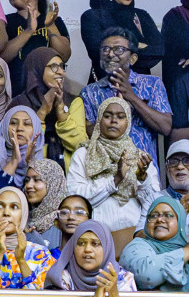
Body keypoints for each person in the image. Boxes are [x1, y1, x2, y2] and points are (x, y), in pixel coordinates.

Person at [66, 96, 160, 242]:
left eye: (120, 117)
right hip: (95, 240)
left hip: (135, 239)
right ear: (99, 120)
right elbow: (75, 198)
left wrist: (142, 179)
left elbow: (154, 206)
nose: (113, 121)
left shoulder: (140, 158)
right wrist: (115, 180)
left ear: (128, 122)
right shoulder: (83, 155)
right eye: (107, 116)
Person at [43, 220, 144, 297]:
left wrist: (113, 294)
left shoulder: (123, 278)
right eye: (81, 243)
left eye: (95, 244)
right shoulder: (59, 276)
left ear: (106, 247)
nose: (87, 249)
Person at [80, 28, 172, 155]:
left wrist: (131, 96)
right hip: (106, 170)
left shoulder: (152, 84)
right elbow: (87, 131)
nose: (110, 54)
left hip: (145, 170)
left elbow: (165, 127)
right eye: (105, 49)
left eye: (119, 49)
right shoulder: (89, 92)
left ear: (132, 58)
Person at [80, 0, 163, 79]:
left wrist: (120, 49)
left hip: (140, 88)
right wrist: (138, 45)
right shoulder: (92, 16)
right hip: (105, 87)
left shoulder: (141, 15)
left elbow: (159, 51)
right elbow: (99, 54)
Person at [12, 47, 87, 166]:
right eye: (53, 67)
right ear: (37, 69)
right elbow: (19, 149)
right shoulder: (19, 104)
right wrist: (42, 112)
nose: (61, 72)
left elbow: (80, 144)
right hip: (31, 176)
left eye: (62, 66)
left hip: (68, 174)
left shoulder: (74, 101)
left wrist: (61, 112)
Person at [0, 0, 71, 87]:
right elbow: (2, 57)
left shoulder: (54, 20)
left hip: (49, 89)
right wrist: (29, 31)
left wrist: (50, 26)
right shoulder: (7, 21)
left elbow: (64, 56)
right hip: (16, 91)